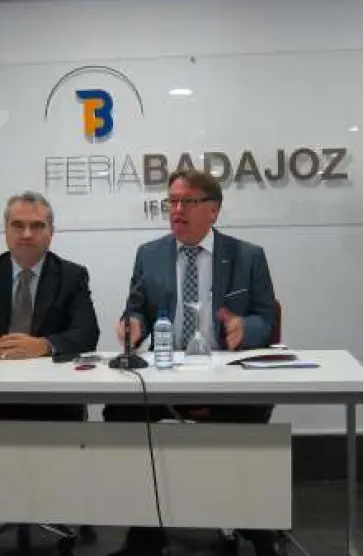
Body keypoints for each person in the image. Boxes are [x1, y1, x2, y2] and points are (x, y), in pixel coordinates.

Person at [103, 170, 279, 556]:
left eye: (188, 202)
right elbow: (137, 307)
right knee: (119, 411)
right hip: (166, 373)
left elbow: (266, 318)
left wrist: (243, 327)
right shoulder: (150, 254)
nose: (177, 210)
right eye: (172, 202)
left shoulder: (248, 256)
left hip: (225, 374)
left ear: (213, 210)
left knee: (247, 413)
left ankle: (250, 517)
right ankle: (145, 527)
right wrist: (133, 323)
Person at [0, 190, 100, 420]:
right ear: (5, 230)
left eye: (37, 226)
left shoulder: (71, 276)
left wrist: (43, 345)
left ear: (51, 233)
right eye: (17, 225)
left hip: (50, 395)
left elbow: (87, 333)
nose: (26, 234)